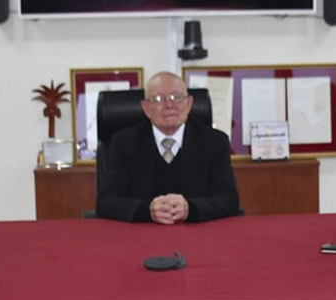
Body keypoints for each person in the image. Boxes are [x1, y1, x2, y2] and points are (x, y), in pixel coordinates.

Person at [96, 72, 239, 224]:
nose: (169, 105)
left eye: (176, 97)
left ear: (189, 104)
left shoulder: (214, 142)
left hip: (197, 236)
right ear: (146, 108)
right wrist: (147, 210)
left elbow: (229, 199)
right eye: (158, 99)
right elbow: (106, 202)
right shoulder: (124, 143)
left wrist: (191, 208)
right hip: (141, 236)